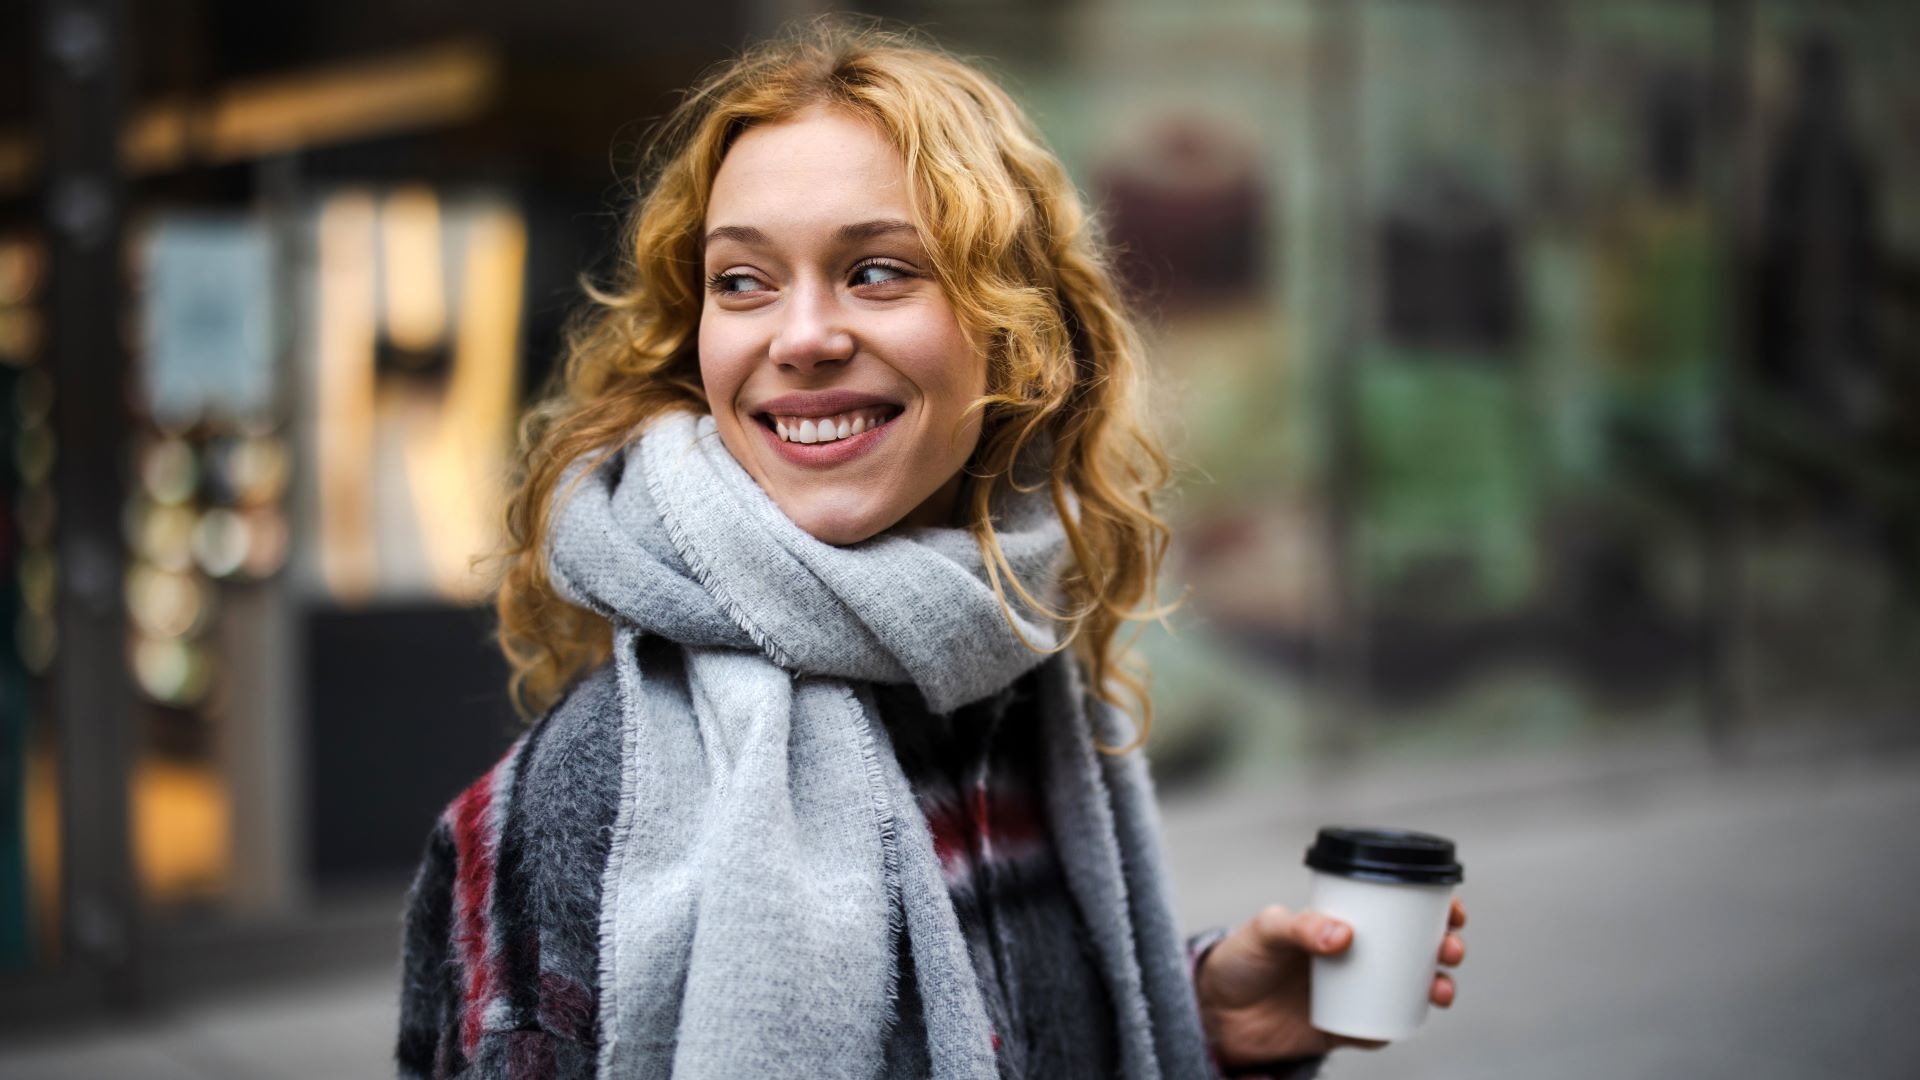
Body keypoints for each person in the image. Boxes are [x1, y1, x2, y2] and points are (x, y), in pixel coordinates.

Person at [395, 20, 1466, 1080]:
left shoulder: (1016, 667)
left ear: (1015, 331)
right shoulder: (588, 796)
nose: (800, 336)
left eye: (876, 272)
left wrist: (1198, 1020)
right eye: (743, 280)